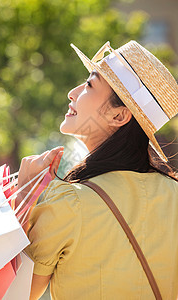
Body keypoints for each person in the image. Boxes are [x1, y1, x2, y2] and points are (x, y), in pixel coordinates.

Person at [17, 40, 178, 300]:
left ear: (119, 116)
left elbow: (17, 293)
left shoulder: (70, 202)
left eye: (90, 85)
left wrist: (23, 198)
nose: (72, 92)